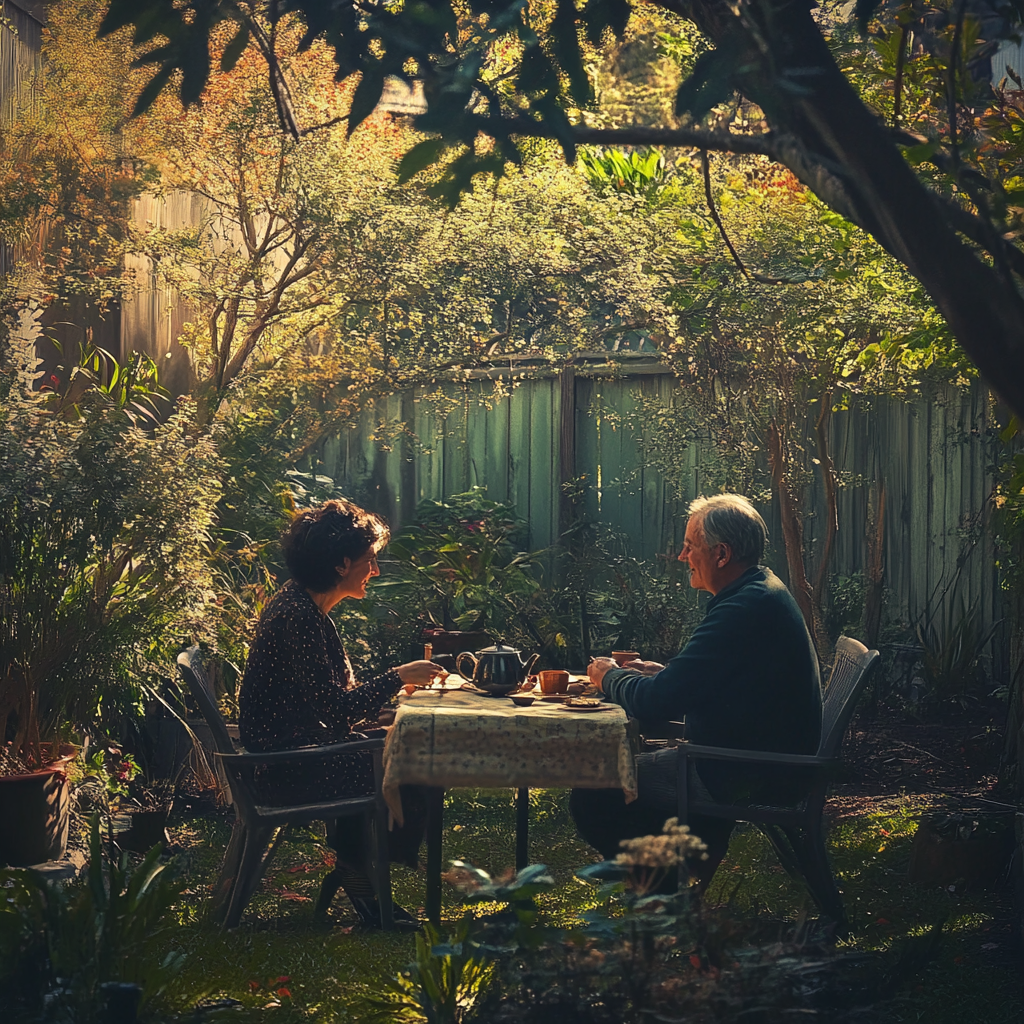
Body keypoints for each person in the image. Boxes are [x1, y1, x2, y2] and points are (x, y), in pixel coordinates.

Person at [570, 493, 822, 891]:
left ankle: (663, 896)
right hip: (766, 762)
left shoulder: (742, 609)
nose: (682, 556)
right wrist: (665, 672)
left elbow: (656, 701)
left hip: (746, 772)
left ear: (721, 554)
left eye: (690, 546)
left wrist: (608, 677)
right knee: (630, 775)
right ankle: (678, 880)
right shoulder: (758, 591)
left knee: (595, 788)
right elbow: (717, 679)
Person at [238, 498, 445, 927]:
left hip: (299, 753)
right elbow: (336, 712)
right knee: (412, 764)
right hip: (285, 770)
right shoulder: (297, 617)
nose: (376, 571)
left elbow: (333, 708)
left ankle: (359, 869)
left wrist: (391, 709)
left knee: (403, 746)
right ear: (342, 563)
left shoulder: (303, 608)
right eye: (370, 561)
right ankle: (361, 874)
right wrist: (397, 676)